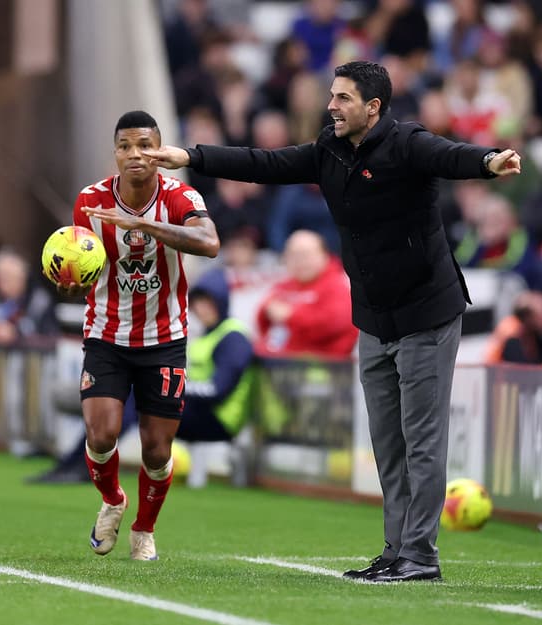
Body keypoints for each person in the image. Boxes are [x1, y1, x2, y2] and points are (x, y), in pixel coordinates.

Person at [144, 60, 521, 582]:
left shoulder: (407, 142)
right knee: (388, 443)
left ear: (373, 107)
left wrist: (489, 162)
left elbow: (450, 155)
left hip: (426, 313)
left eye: (342, 98)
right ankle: (396, 551)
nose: (330, 106)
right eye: (331, 96)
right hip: (373, 316)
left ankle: (421, 556)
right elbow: (265, 162)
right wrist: (191, 156)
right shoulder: (329, 149)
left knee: (423, 439)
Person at [65, 110, 220, 561]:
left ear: (159, 150)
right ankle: (113, 500)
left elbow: (209, 243)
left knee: (156, 448)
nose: (135, 155)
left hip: (165, 337)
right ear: (115, 153)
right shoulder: (89, 201)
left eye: (145, 146)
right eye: (125, 146)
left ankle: (144, 530)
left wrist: (143, 225)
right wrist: (71, 282)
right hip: (106, 333)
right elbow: (82, 262)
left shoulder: (181, 196)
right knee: (100, 435)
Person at [176, 269, 255, 488]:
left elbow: (219, 390)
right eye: (199, 303)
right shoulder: (206, 334)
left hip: (222, 419)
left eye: (209, 302)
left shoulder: (233, 337)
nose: (203, 309)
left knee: (149, 403)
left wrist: (177, 390)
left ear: (221, 301)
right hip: (201, 411)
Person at [255, 230, 357, 359]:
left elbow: (333, 324)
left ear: (324, 255)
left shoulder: (337, 286)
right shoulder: (284, 285)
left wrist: (291, 316)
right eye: (293, 255)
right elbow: (263, 317)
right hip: (279, 362)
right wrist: (267, 311)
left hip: (323, 367)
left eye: (305, 255)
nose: (299, 261)